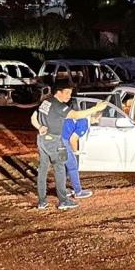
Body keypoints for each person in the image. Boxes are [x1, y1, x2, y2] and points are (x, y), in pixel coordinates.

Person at [31, 80, 107, 210]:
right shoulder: (59, 106)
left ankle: (42, 202)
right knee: (60, 169)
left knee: (43, 171)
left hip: (42, 139)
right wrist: (96, 108)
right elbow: (76, 115)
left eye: (70, 93)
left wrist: (39, 127)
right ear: (58, 92)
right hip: (54, 140)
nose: (68, 96)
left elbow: (33, 116)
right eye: (66, 93)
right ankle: (63, 201)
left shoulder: (45, 102)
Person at [62, 117, 91, 199]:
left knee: (64, 167)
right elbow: (73, 139)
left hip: (57, 139)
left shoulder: (79, 118)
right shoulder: (84, 122)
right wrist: (75, 151)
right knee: (73, 167)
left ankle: (62, 190)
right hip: (63, 141)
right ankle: (78, 192)